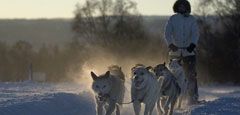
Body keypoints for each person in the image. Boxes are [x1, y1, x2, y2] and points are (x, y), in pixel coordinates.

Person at [164, 0, 200, 105]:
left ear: (187, 7)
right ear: (176, 7)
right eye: (180, 5)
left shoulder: (192, 19)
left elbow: (195, 33)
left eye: (184, 5)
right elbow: (167, 33)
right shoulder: (172, 19)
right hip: (175, 53)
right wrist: (170, 44)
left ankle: (192, 97)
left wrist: (193, 44)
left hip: (189, 52)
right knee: (173, 76)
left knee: (191, 75)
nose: (181, 7)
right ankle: (172, 96)